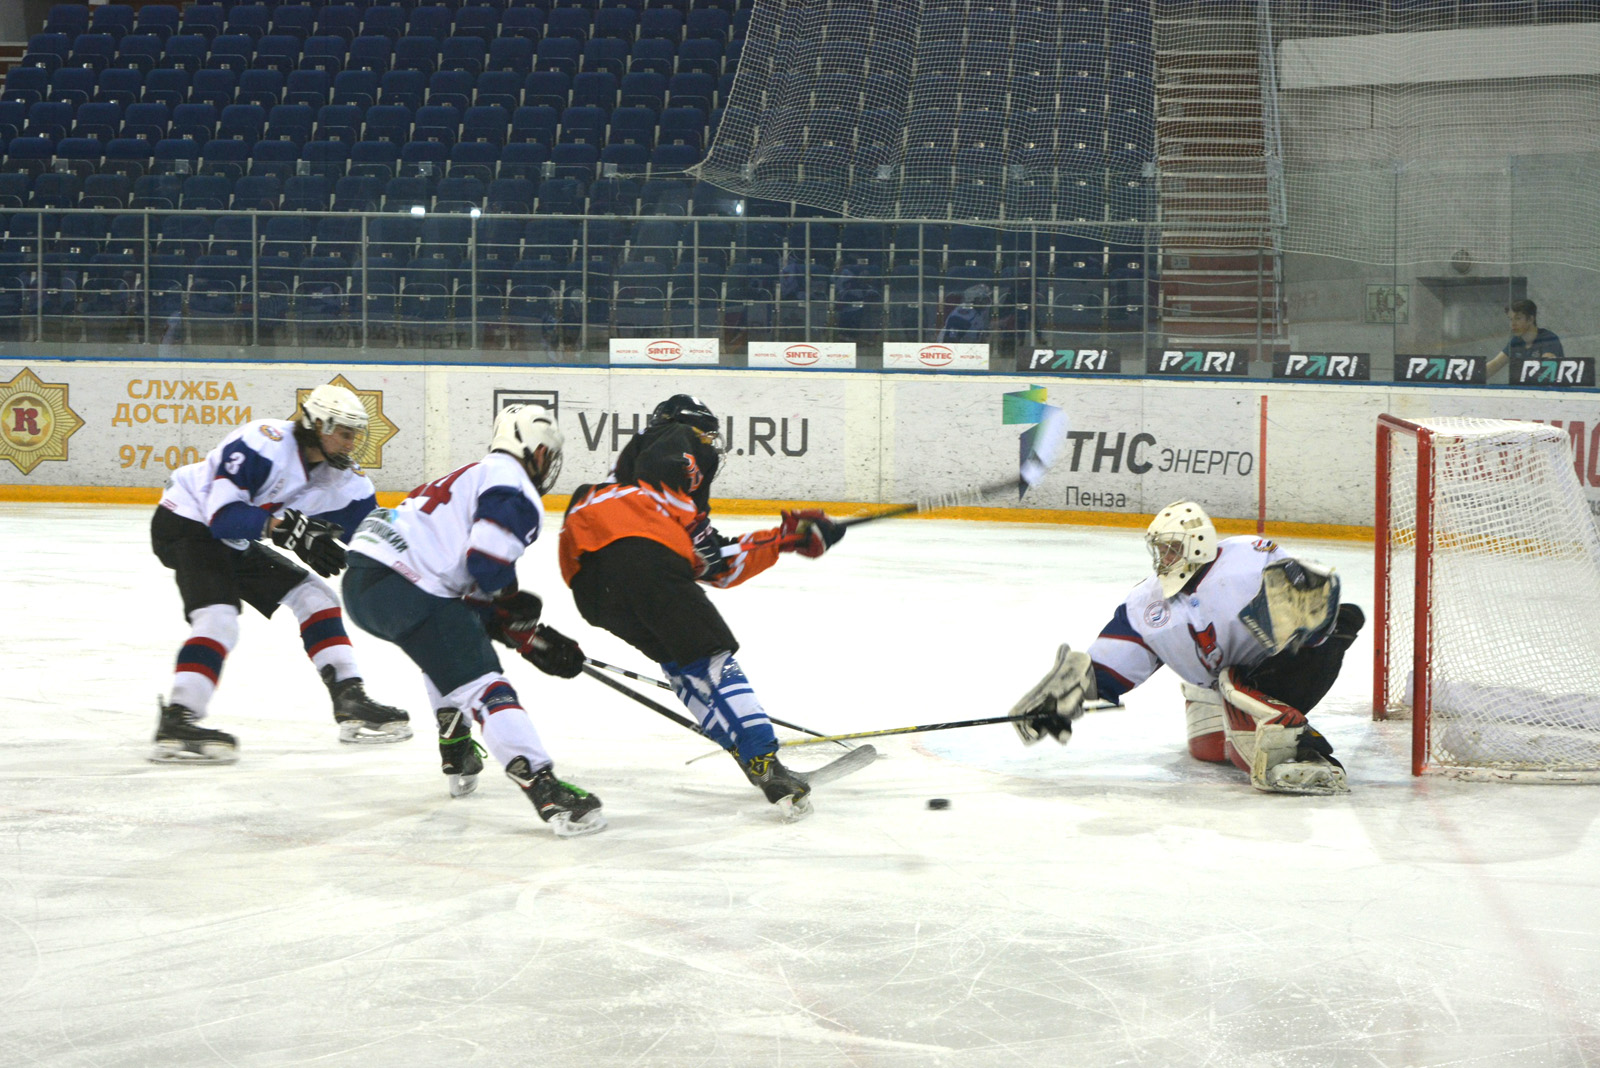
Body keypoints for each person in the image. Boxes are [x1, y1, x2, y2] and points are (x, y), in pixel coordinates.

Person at [558, 394, 846, 820]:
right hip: (640, 555)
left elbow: (716, 566)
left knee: (681, 662)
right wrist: (696, 527)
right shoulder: (668, 442)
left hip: (592, 585)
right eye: (705, 433)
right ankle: (765, 763)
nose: (709, 444)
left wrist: (787, 538)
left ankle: (754, 759)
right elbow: (665, 467)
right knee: (710, 661)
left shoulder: (635, 498)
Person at [342, 406, 605, 838]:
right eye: (547, 453)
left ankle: (457, 746)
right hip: (407, 588)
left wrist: (518, 632)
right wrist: (510, 608)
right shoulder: (513, 486)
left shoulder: (473, 473)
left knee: (444, 647)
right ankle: (544, 788)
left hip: (365, 583)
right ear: (535, 450)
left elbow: (469, 589)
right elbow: (486, 562)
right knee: (483, 683)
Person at [1008, 501, 1363, 795]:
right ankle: (1244, 712)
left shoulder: (1250, 561)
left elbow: (1311, 604)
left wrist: (1316, 624)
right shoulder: (1146, 604)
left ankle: (1295, 738)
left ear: (1198, 544)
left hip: (1262, 678)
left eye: (1172, 548)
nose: (1164, 558)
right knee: (1211, 752)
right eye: (1160, 549)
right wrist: (1071, 691)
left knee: (1258, 750)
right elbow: (1110, 667)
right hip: (1212, 690)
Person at [149, 384, 412, 764]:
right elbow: (222, 519)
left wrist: (425, 549)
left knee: (317, 598)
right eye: (345, 433)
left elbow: (376, 533)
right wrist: (283, 527)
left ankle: (350, 699)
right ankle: (178, 719)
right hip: (187, 522)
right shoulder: (261, 442)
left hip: (233, 540)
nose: (352, 443)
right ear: (318, 424)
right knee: (219, 617)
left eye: (355, 434)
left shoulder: (343, 480)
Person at [1487, 298, 1563, 380]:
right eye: (1511, 319)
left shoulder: (1548, 338)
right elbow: (1494, 366)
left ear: (1530, 319)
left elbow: (1546, 371)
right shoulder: (1515, 342)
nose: (1513, 324)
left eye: (1518, 318)